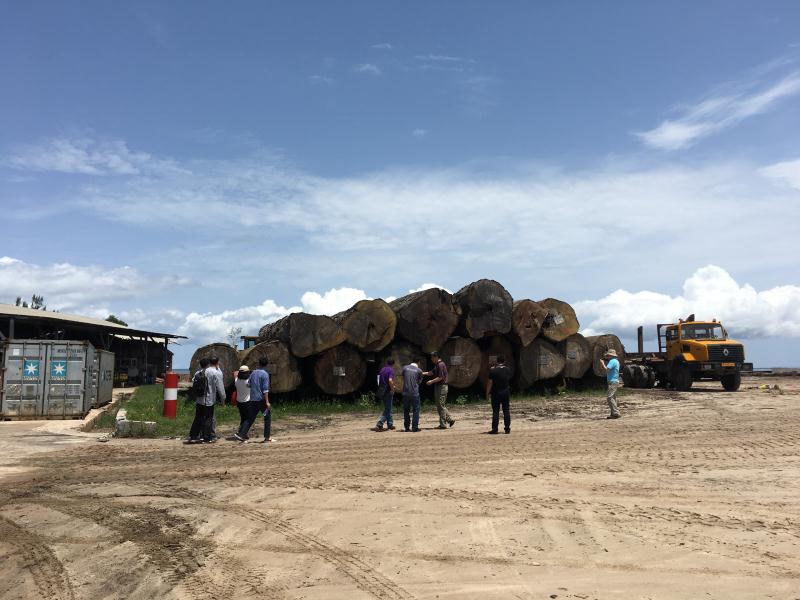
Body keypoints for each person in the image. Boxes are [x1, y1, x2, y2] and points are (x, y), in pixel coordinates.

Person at [187, 355, 225, 443]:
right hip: (209, 399)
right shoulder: (214, 372)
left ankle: (193, 435)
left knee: (198, 417)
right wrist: (223, 399)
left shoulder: (198, 373)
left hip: (199, 399)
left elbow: (194, 381)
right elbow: (220, 388)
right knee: (208, 418)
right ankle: (207, 437)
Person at [423, 352, 455, 429]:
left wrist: (431, 381)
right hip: (439, 386)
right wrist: (421, 373)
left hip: (442, 387)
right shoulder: (437, 365)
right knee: (440, 405)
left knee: (441, 405)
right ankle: (450, 420)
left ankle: (443, 424)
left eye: (432, 358)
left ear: (436, 357)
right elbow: (431, 373)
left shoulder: (440, 365)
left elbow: (440, 377)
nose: (431, 359)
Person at [249, 357, 274, 442]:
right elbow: (265, 389)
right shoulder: (265, 374)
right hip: (261, 399)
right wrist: (267, 402)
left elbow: (248, 384)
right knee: (267, 417)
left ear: (258, 363)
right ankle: (267, 437)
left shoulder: (253, 373)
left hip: (252, 399)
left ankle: (241, 434)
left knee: (251, 418)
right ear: (266, 364)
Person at [486, 354, 513, 434]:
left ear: (497, 361)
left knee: (495, 411)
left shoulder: (493, 371)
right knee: (506, 410)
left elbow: (489, 383)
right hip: (505, 392)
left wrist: (487, 393)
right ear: (504, 361)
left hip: (496, 393)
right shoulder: (508, 370)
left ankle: (495, 429)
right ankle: (507, 428)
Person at [234, 365, 260, 442]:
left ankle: (242, 433)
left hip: (239, 402)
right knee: (249, 419)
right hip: (247, 402)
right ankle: (241, 434)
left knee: (243, 418)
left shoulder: (236, 381)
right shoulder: (248, 381)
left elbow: (236, 374)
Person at [401, 360, 423, 432]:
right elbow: (419, 382)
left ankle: (407, 427)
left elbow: (403, 378)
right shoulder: (419, 370)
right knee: (416, 410)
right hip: (414, 393)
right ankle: (414, 427)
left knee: (406, 410)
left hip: (405, 392)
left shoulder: (405, 368)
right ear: (418, 363)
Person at [375, 358, 396, 431]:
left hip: (381, 390)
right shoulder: (391, 370)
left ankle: (390, 424)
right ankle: (380, 423)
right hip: (387, 391)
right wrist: (392, 388)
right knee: (388, 409)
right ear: (393, 364)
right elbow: (390, 380)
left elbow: (378, 379)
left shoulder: (382, 369)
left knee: (388, 408)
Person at [599, 348, 621, 419]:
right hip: (615, 381)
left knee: (609, 397)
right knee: (613, 397)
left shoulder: (612, 361)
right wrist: (602, 364)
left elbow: (606, 370)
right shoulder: (616, 361)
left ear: (611, 356)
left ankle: (616, 412)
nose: (607, 357)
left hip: (612, 381)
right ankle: (613, 414)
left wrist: (602, 363)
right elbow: (606, 369)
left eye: (608, 355)